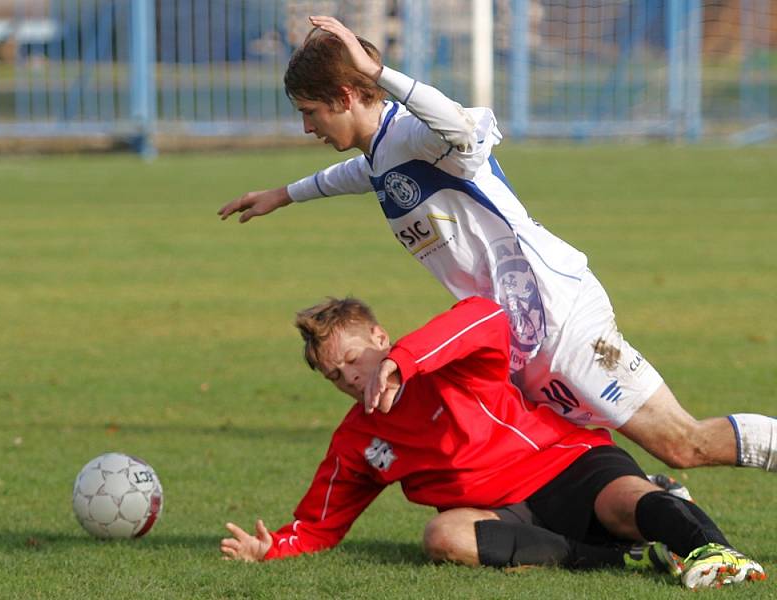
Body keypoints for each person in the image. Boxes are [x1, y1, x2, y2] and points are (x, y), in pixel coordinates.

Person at [217, 16, 777, 476]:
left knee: (684, 443)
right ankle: (648, 507)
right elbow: (355, 176)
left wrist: (381, 72)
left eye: (309, 113)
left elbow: (461, 128)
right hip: (519, 339)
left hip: (560, 319)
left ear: (344, 96)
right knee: (549, 454)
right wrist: (282, 195)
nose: (306, 128)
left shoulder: (416, 133)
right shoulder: (383, 153)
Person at [219, 295, 766, 590]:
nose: (350, 380)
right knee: (443, 535)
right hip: (506, 515)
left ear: (380, 339)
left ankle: (714, 551)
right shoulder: (357, 441)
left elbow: (487, 314)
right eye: (333, 376)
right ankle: (617, 558)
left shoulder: (444, 367)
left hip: (567, 465)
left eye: (354, 361)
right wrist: (274, 549)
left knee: (625, 502)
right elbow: (318, 525)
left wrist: (405, 362)